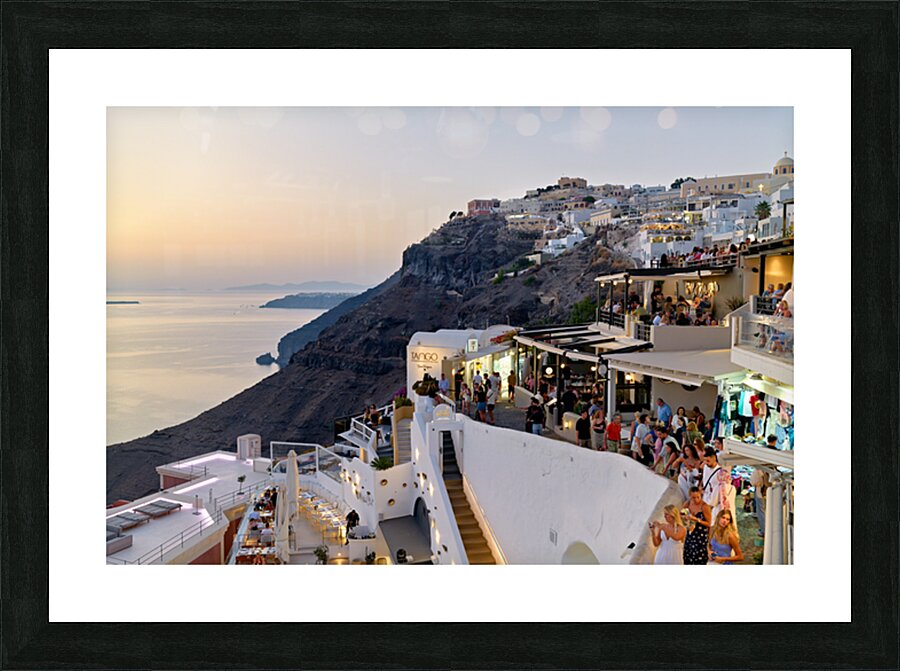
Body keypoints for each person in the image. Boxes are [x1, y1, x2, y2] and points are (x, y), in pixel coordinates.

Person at [682, 486, 712, 565]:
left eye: (698, 497)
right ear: (690, 496)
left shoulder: (704, 506)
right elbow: (681, 514)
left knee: (699, 559)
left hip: (701, 536)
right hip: (690, 535)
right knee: (688, 557)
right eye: (693, 497)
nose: (696, 499)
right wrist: (685, 517)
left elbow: (709, 524)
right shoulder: (688, 503)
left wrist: (697, 520)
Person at [750, 468, 770, 538]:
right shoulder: (768, 470)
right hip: (767, 493)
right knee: (765, 511)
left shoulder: (758, 470)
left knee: (761, 512)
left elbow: (753, 482)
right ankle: (765, 528)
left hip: (760, 493)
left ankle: (764, 530)